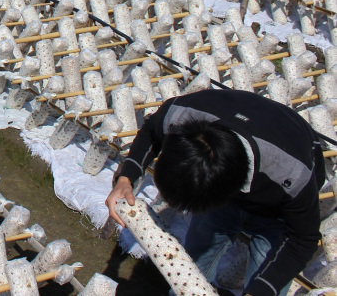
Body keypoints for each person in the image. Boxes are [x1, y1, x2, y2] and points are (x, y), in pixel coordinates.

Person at [105, 88, 326, 296]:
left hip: (277, 211)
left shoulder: (292, 173)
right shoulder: (181, 115)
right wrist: (126, 177)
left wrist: (262, 290)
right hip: (232, 177)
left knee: (267, 280)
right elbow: (152, 130)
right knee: (192, 264)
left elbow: (302, 240)